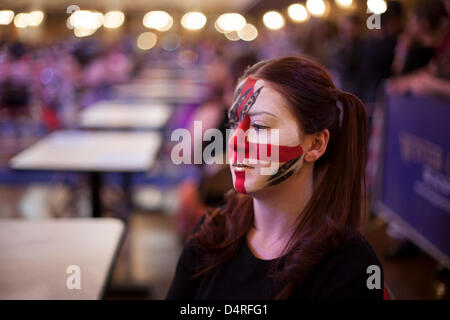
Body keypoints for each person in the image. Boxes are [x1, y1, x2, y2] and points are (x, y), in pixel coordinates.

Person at [166, 56, 383, 300]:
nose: (235, 141)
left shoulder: (351, 268)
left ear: (316, 144)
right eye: (235, 123)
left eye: (259, 127)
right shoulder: (210, 234)